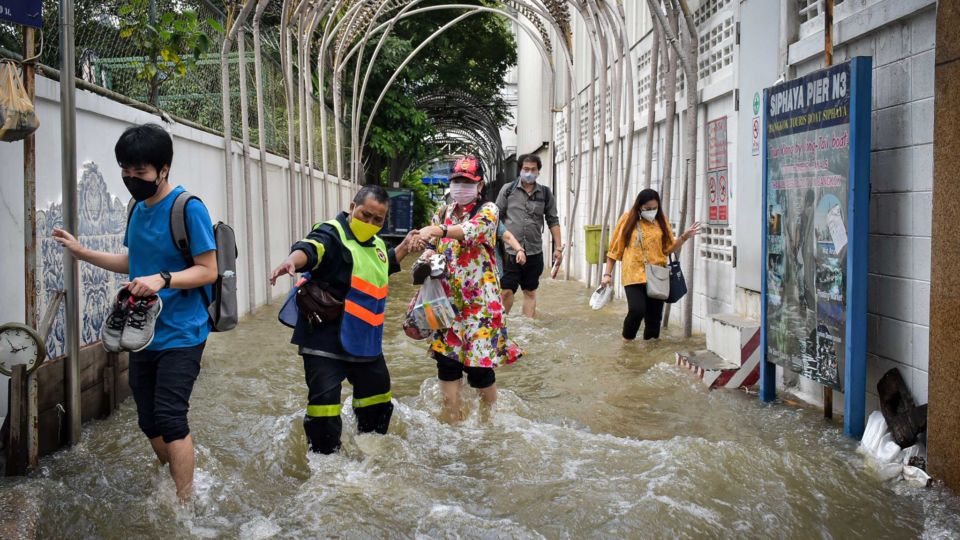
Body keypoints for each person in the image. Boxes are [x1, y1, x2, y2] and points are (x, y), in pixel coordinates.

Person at [52, 123, 218, 501]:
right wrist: (82, 253)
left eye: (140, 172)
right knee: (148, 420)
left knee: (172, 416)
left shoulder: (187, 207)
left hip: (183, 332)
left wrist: (163, 279)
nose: (131, 178)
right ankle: (178, 472)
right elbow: (132, 260)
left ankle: (185, 506)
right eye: (125, 170)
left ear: (163, 170)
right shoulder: (135, 207)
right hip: (142, 334)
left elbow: (207, 269)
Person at [270, 184, 419, 455]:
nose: (370, 223)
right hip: (325, 338)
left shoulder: (377, 245)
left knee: (378, 405)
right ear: (352, 208)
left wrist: (406, 247)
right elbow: (311, 248)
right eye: (365, 215)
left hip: (365, 341)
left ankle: (369, 460)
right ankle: (327, 468)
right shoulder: (332, 232)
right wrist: (292, 261)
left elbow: (385, 265)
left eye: (378, 219)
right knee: (324, 410)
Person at [417, 155, 521, 422]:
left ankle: (489, 423)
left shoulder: (488, 210)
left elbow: (471, 230)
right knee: (447, 364)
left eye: (467, 182)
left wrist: (438, 231)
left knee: (479, 370)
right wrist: (426, 254)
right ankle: (453, 420)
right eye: (456, 181)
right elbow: (432, 247)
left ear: (480, 184)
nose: (460, 187)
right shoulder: (441, 212)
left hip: (481, 307)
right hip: (446, 302)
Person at [601, 189, 701, 341]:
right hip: (633, 275)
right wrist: (607, 274)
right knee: (637, 311)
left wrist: (684, 237)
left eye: (655, 208)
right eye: (648, 209)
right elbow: (614, 250)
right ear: (639, 206)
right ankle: (626, 344)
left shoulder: (661, 221)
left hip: (657, 274)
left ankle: (649, 353)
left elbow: (668, 249)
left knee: (654, 319)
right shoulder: (627, 219)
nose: (652, 211)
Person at [495, 154, 562, 317]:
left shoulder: (545, 193)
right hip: (509, 252)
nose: (529, 172)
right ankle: (501, 326)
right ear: (520, 170)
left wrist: (558, 248)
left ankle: (528, 328)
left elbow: (553, 220)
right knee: (506, 292)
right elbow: (494, 218)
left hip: (534, 251)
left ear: (539, 171)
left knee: (530, 292)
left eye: (533, 169)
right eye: (526, 169)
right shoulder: (508, 190)